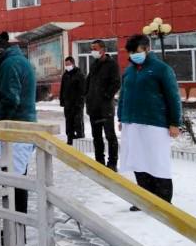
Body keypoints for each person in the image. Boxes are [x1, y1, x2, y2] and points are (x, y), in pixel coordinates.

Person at [117, 34, 181, 210]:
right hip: (132, 122)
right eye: (130, 53)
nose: (133, 56)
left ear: (147, 49)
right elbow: (124, 95)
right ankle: (144, 198)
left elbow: (173, 97)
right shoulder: (129, 71)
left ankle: (163, 201)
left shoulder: (161, 69)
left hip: (155, 122)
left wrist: (175, 122)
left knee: (156, 161)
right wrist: (121, 117)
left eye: (136, 52)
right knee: (138, 160)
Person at [0, 32, 36, 214]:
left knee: (14, 181)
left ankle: (15, 229)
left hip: (16, 129)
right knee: (14, 179)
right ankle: (14, 228)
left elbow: (10, 98)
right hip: (19, 128)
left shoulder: (10, 64)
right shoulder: (14, 61)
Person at [85, 39, 121, 171]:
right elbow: (88, 82)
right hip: (93, 107)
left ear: (103, 50)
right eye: (91, 48)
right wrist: (87, 96)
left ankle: (112, 163)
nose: (92, 51)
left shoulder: (112, 65)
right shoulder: (94, 64)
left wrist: (106, 96)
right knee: (96, 136)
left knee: (110, 136)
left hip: (106, 108)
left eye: (95, 48)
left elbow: (116, 83)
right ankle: (99, 161)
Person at [59, 56, 86, 146]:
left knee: (78, 123)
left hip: (77, 104)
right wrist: (62, 100)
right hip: (68, 104)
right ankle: (70, 140)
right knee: (69, 123)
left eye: (68, 64)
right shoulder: (65, 75)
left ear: (73, 64)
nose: (67, 66)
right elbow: (62, 89)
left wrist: (80, 102)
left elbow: (83, 90)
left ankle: (80, 141)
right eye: (66, 64)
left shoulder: (79, 74)